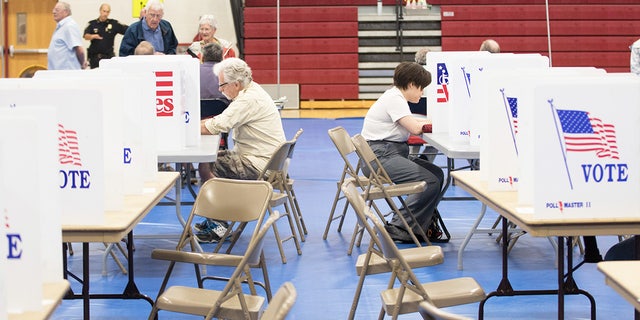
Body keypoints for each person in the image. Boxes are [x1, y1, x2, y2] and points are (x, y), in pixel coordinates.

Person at [196, 58, 286, 242]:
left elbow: (215, 126)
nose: (220, 90)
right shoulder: (251, 91)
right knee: (211, 161)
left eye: (222, 85)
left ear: (236, 84)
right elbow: (219, 120)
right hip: (268, 161)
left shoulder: (247, 100)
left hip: (260, 165)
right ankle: (218, 217)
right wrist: (199, 124)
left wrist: (183, 127)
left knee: (207, 167)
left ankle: (219, 223)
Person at [360, 62, 444, 243]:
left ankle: (421, 225)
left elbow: (412, 121)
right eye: (421, 88)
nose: (422, 93)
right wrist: (445, 123)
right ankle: (400, 226)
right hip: (380, 157)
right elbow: (414, 128)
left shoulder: (395, 96)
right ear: (412, 84)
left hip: (385, 154)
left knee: (437, 173)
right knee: (429, 180)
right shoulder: (395, 99)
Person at [83, 3, 128, 68]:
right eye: (104, 11)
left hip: (108, 58)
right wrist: (92, 36)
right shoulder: (92, 24)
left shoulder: (113, 24)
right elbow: (85, 36)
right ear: (100, 11)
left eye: (108, 12)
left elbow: (127, 30)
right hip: (95, 58)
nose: (105, 14)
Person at [48, 2, 88, 70]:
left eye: (57, 10)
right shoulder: (61, 26)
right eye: (54, 9)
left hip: (66, 73)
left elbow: (79, 49)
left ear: (66, 12)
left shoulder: (69, 26)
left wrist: (82, 64)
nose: (53, 12)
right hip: (58, 72)